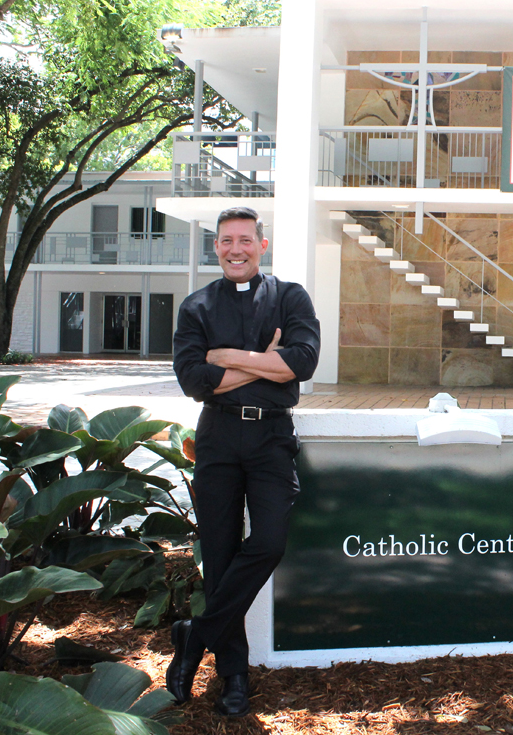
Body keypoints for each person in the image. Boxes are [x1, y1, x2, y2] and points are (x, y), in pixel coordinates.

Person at [167, 206, 320, 717]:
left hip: (271, 438)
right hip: (217, 437)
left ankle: (195, 636)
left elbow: (301, 363)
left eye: (245, 240)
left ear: (262, 244)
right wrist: (263, 364)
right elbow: (193, 382)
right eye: (227, 241)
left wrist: (225, 358)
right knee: (220, 551)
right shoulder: (196, 307)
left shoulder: (289, 297)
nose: (236, 249)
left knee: (270, 541)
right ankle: (233, 674)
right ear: (216, 247)